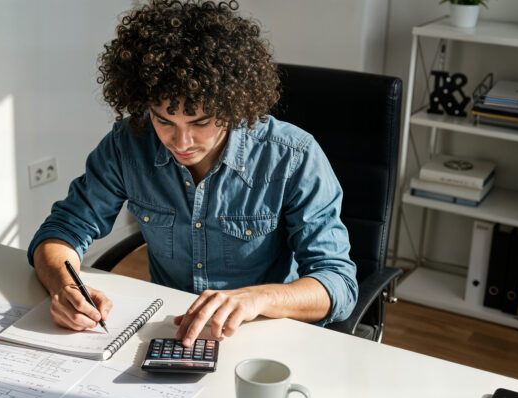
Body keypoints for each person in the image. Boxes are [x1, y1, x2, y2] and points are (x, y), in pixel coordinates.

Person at [28, 0, 357, 348]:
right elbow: (61, 231)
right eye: (164, 120)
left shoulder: (293, 157)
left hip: (261, 336)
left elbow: (337, 282)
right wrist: (65, 288)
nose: (180, 142)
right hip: (168, 331)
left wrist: (255, 299)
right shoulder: (129, 144)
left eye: (200, 122)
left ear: (233, 105)